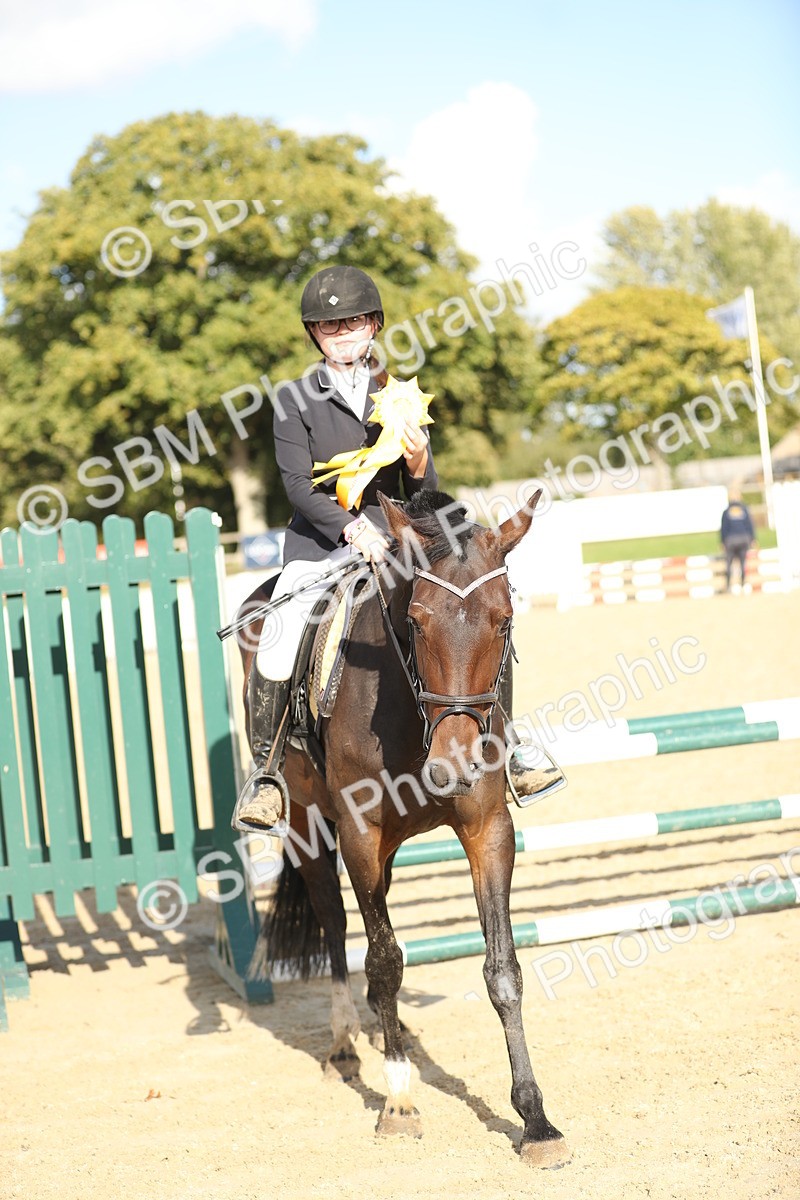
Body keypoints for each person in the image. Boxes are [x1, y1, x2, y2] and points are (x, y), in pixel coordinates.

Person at [232, 266, 437, 833]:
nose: (343, 333)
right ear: (314, 334)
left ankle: (507, 745)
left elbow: (422, 493)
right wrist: (352, 530)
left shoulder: (398, 396)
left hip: (395, 542)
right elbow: (298, 486)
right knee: (279, 640)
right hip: (322, 546)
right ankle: (267, 776)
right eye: (330, 325)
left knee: (463, 610)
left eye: (354, 321)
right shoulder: (294, 399)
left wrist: (420, 462)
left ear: (374, 325)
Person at [720, 492, 755, 592]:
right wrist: (752, 538)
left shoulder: (726, 512)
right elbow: (750, 525)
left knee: (728, 563)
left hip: (730, 540)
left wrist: (722, 541)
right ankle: (743, 583)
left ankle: (728, 585)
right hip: (744, 539)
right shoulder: (744, 510)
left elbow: (723, 528)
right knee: (743, 563)